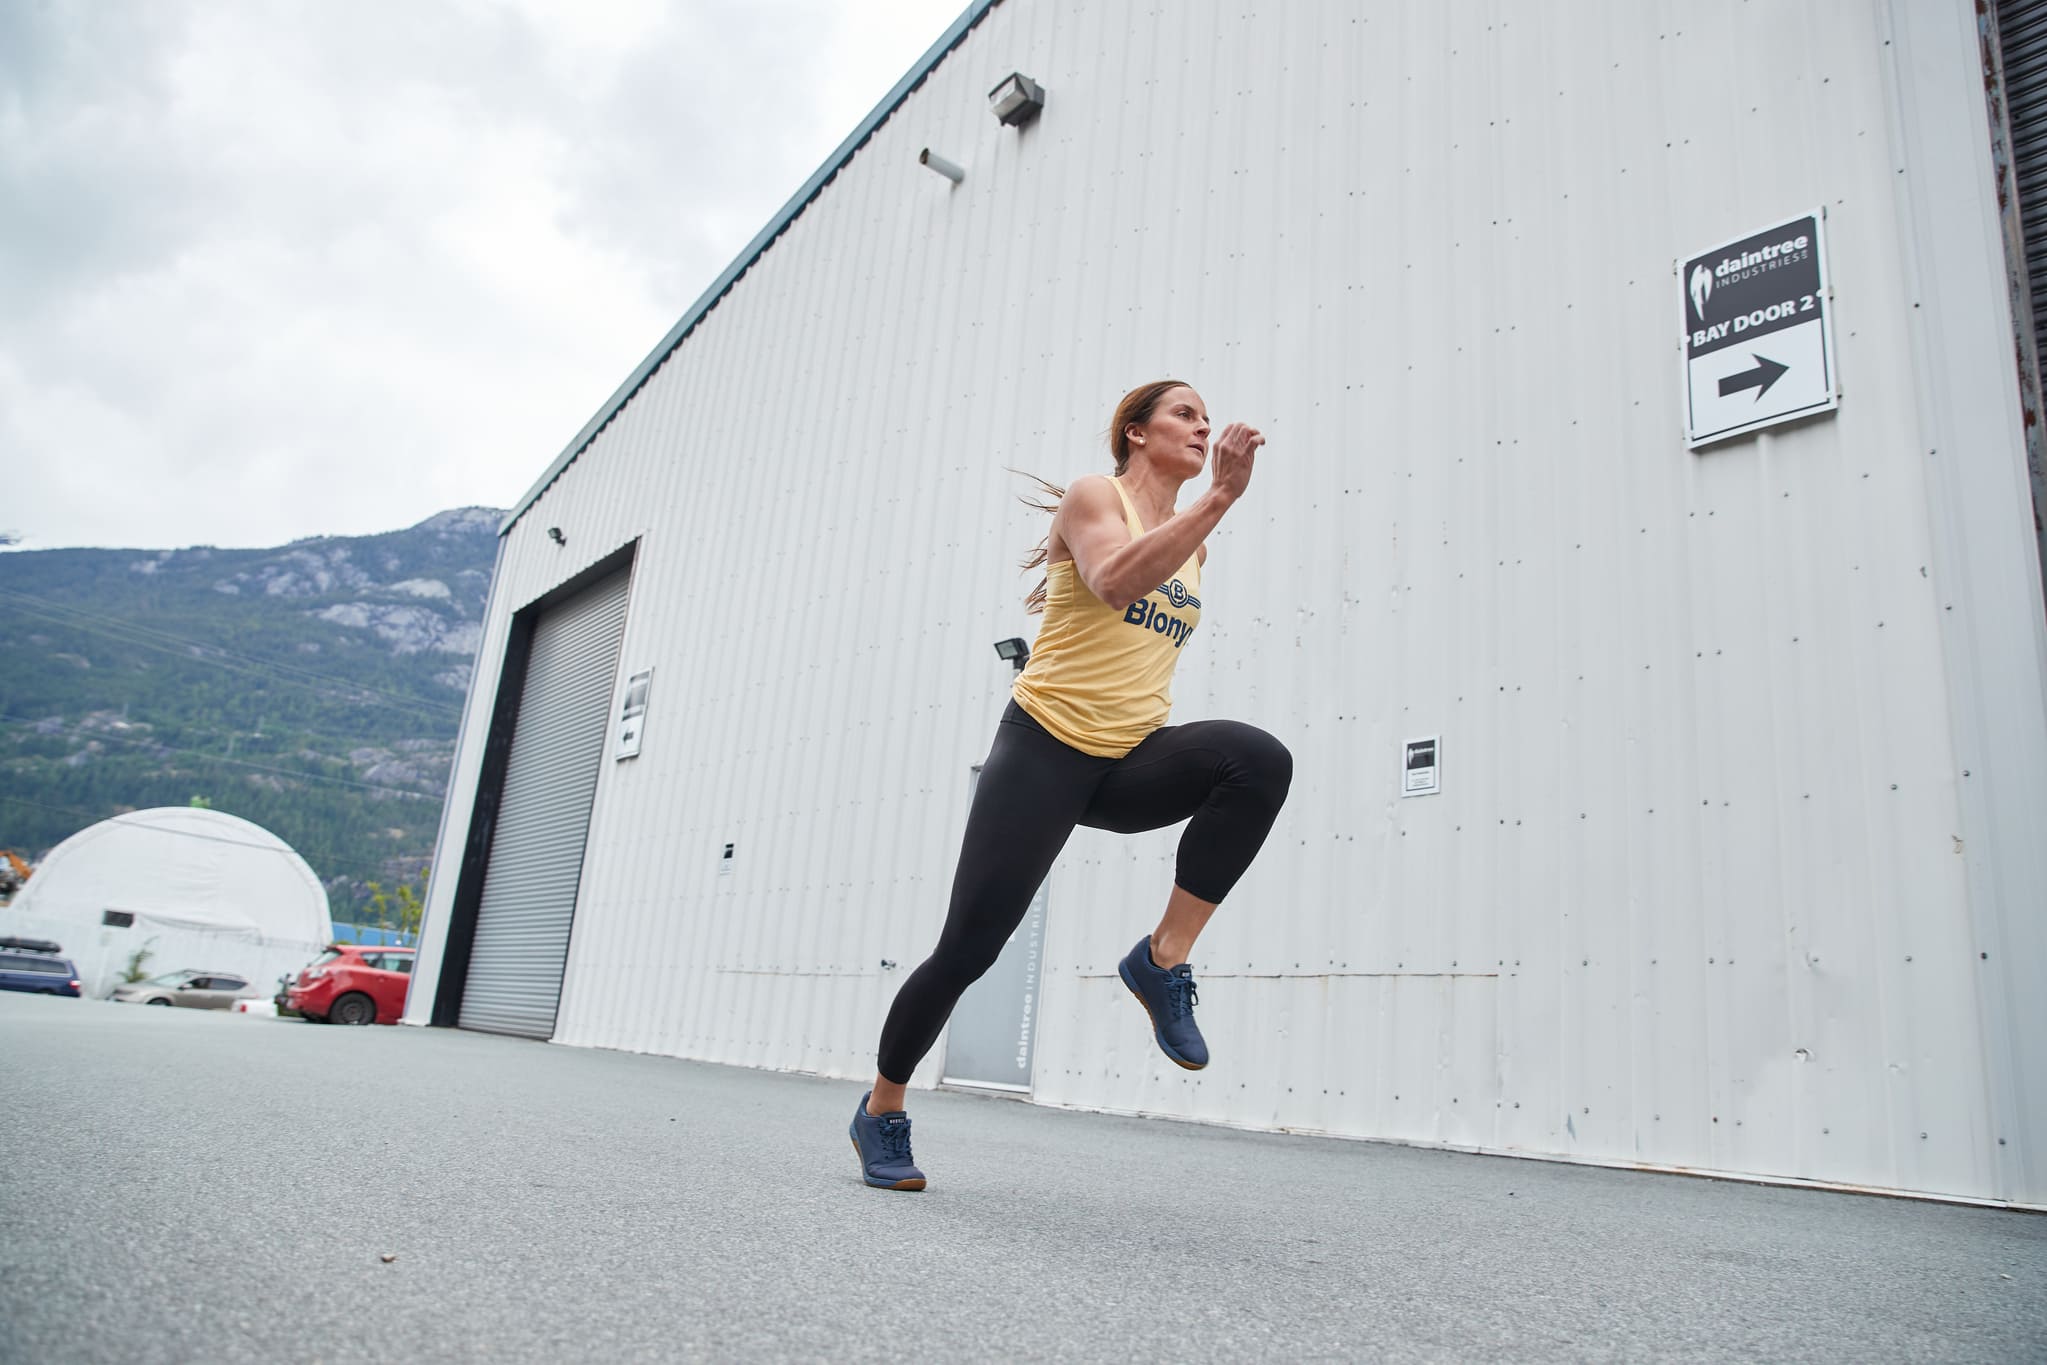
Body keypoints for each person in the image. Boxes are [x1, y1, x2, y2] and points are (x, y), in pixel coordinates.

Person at [848, 380, 1294, 1191]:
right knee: (968, 950)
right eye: (1183, 414)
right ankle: (881, 1108)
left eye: (1205, 418)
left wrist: (1208, 511)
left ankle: (1161, 959)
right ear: (1134, 432)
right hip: (1044, 751)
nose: (1201, 427)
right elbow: (1115, 583)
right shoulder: (1098, 496)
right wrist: (1223, 497)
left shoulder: (1192, 543)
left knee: (1256, 758)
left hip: (1128, 760)